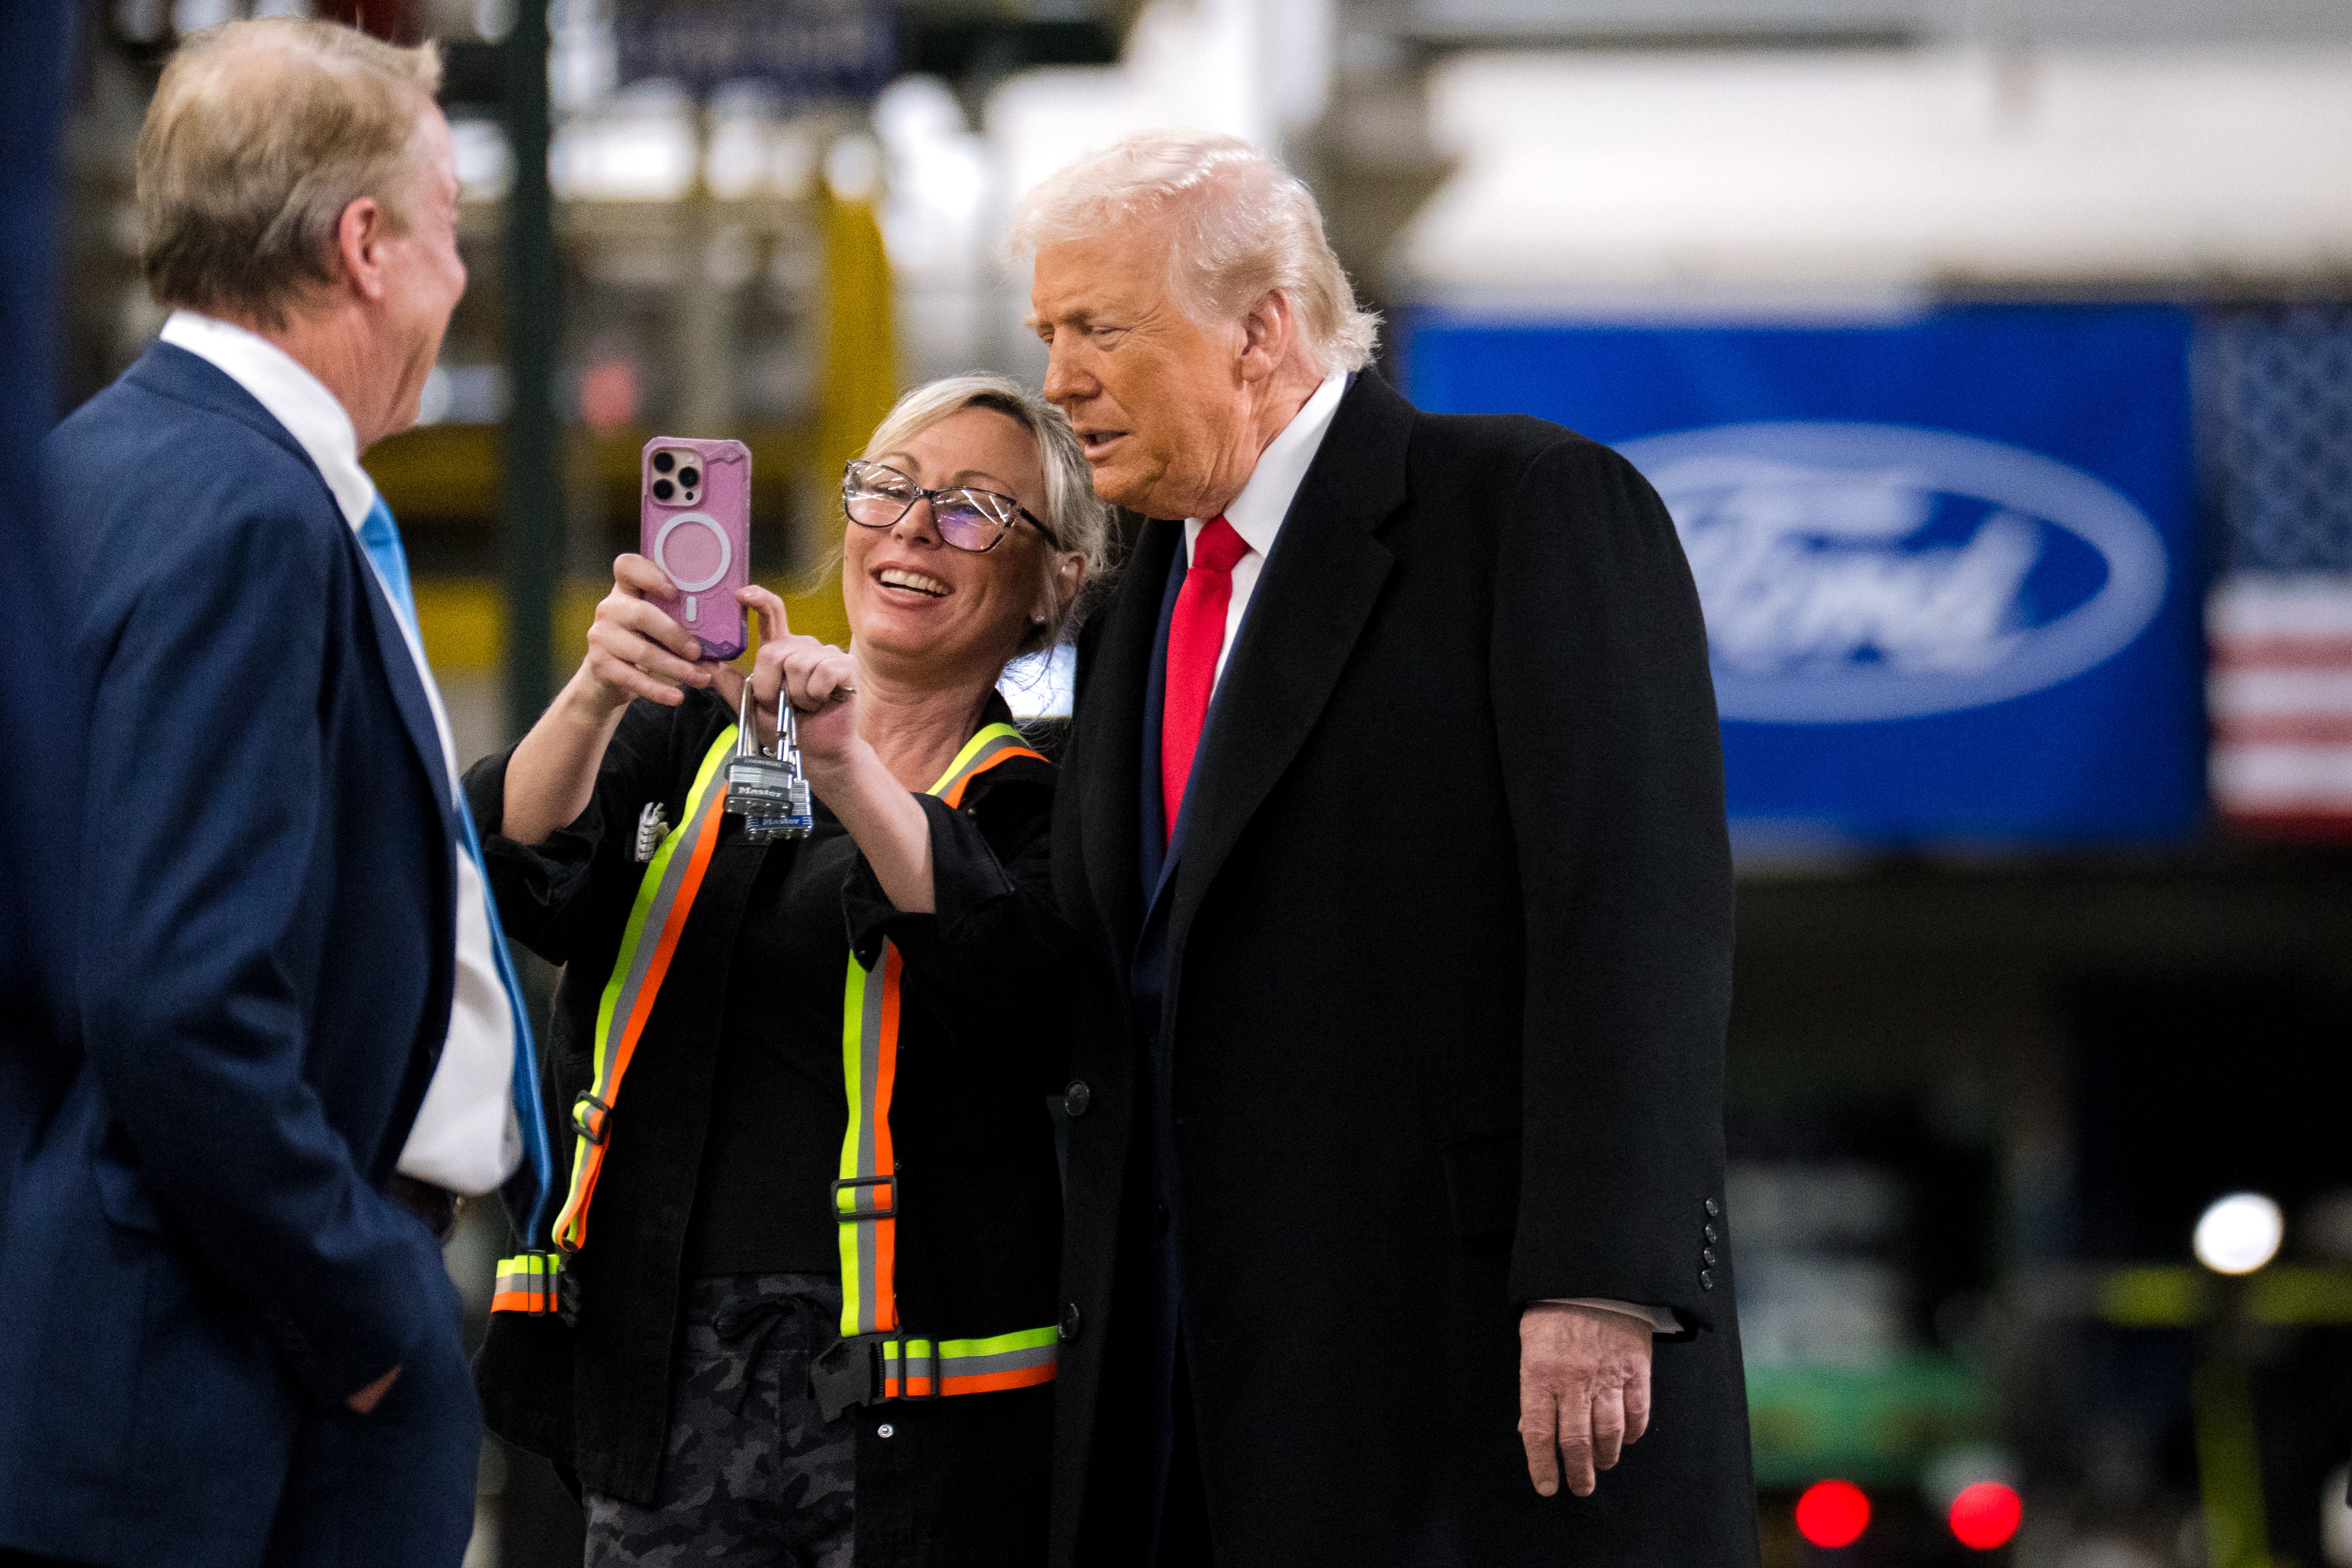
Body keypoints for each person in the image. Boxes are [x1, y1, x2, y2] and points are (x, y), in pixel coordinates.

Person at [1016, 130, 1760, 1566]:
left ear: (1257, 330)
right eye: (1046, 334)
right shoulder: (1131, 603)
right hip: (1182, 1387)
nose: (1057, 379)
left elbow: (1633, 914)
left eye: (1096, 328)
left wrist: (1602, 1276)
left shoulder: (1526, 509)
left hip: (1468, 1366)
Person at [0, 20, 549, 1568]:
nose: (459, 280)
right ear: (362, 245)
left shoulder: (103, 463)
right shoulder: (250, 517)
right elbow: (181, 997)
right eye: (447, 232)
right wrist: (366, 1310)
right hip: (238, 1378)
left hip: (150, 1351)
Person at [468, 374, 1111, 1567]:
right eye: (890, 488)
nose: (916, 528)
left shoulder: (1051, 799)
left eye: (976, 510)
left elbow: (1013, 988)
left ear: (1055, 580)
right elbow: (516, 868)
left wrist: (851, 770)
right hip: (663, 1372)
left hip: (919, 1422)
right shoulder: (689, 734)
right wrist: (600, 687)